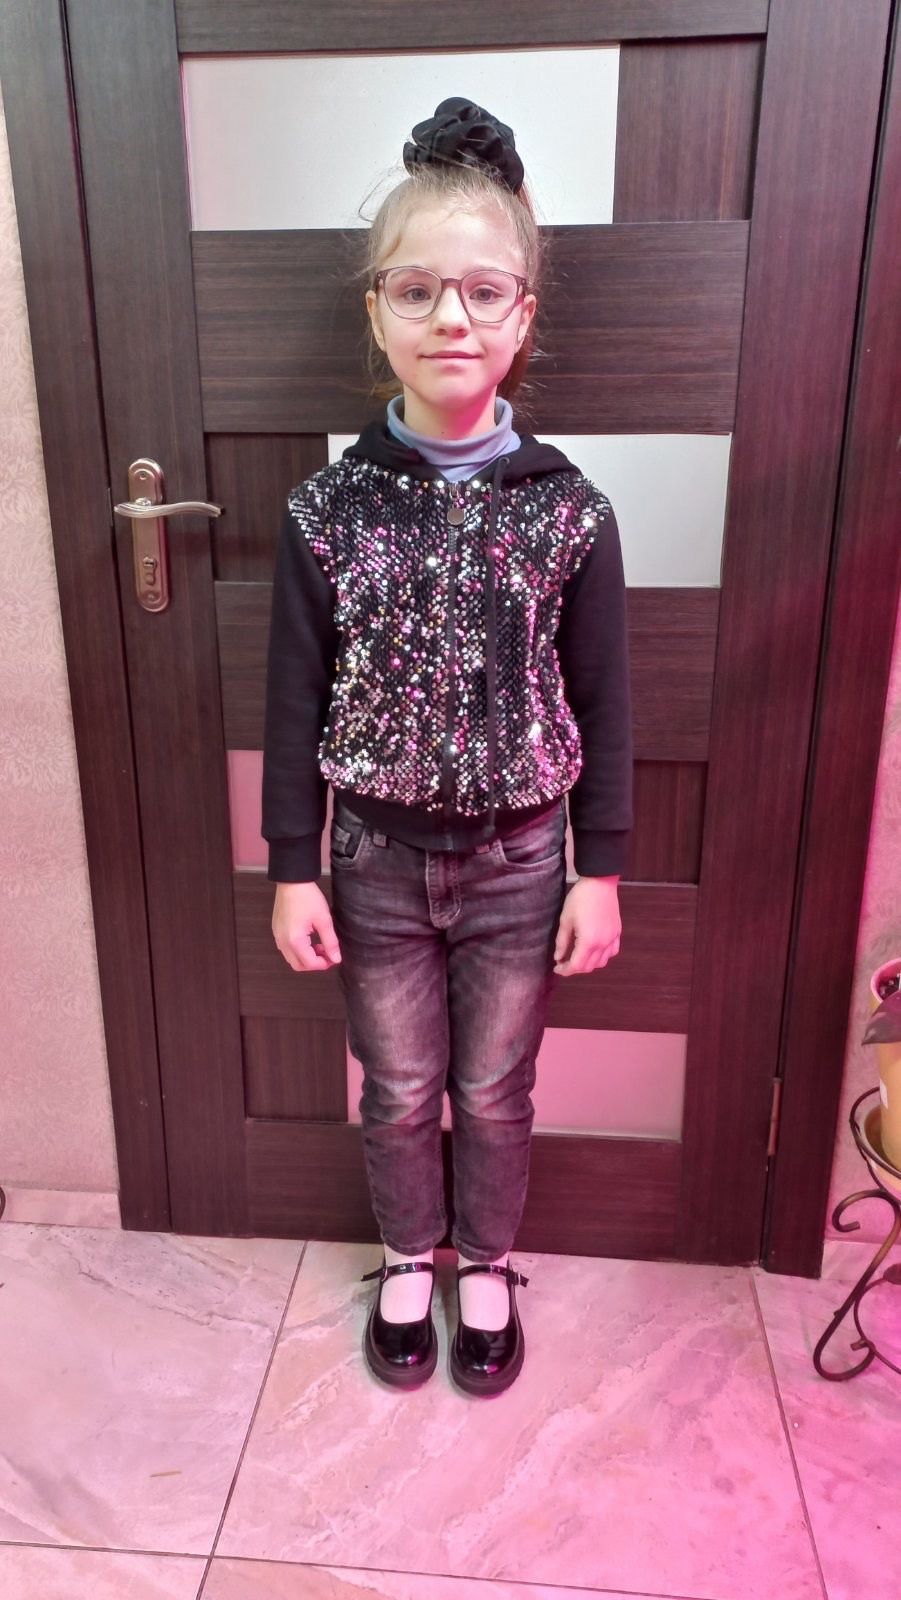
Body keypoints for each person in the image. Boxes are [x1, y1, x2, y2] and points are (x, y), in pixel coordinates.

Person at [262, 97, 633, 1397]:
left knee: (494, 1090)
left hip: (524, 865)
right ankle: (406, 1257)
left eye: (482, 292)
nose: (451, 320)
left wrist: (600, 869)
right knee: (398, 1086)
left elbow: (605, 699)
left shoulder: (570, 511)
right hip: (372, 861)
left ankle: (488, 1261)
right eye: (416, 290)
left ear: (523, 314)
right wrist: (292, 866)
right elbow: (293, 698)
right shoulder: (328, 510)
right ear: (377, 312)